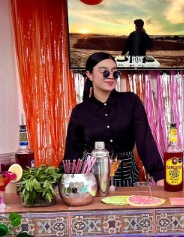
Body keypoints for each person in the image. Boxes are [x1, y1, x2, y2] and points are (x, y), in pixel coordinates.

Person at [63, 52, 164, 186]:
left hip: (127, 176)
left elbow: (145, 141)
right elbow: (72, 152)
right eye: (104, 72)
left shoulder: (131, 101)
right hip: (93, 180)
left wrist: (160, 176)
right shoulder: (80, 111)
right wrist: (66, 182)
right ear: (89, 74)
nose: (111, 76)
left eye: (114, 72)